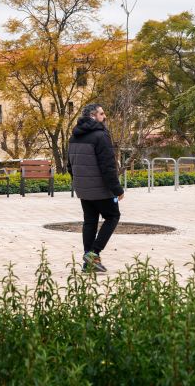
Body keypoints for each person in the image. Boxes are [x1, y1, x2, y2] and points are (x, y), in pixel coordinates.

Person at [67, 103, 124, 272]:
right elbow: (108, 166)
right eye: (101, 113)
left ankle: (88, 263)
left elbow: (69, 165)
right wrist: (117, 189)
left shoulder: (74, 137)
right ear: (93, 116)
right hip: (100, 188)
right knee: (113, 216)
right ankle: (93, 252)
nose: (104, 117)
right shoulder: (100, 136)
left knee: (90, 222)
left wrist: (80, 182)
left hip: (83, 189)